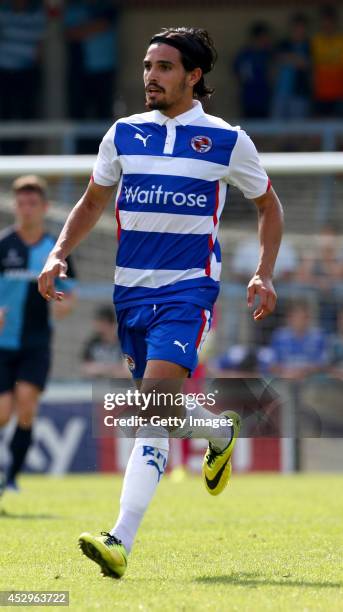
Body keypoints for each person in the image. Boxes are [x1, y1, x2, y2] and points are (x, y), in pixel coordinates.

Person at [39, 27, 283, 579]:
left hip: (187, 290)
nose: (150, 75)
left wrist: (263, 273)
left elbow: (270, 207)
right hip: (131, 293)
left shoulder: (226, 140)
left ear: (194, 76)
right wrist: (57, 254)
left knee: (151, 406)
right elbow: (92, 200)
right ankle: (218, 431)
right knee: (161, 409)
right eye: (148, 66)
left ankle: (119, 540)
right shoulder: (123, 134)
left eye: (164, 67)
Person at [0, 175, 76, 493]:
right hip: (3, 343)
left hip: (37, 342)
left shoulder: (55, 250)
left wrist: (63, 306)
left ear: (44, 207)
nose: (26, 209)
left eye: (33, 203)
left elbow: (70, 293)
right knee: (3, 412)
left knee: (27, 405)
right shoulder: (4, 245)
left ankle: (12, 478)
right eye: (21, 203)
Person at [0, 0, 47, 154]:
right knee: (4, 113)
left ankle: (19, 150)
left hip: (27, 73)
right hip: (4, 73)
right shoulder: (3, 12)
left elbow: (41, 44)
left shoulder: (38, 14)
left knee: (26, 112)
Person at [267, 300, 328, 379]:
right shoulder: (279, 336)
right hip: (285, 378)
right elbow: (271, 365)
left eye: (303, 317)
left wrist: (304, 371)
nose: (300, 321)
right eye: (296, 317)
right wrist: (286, 372)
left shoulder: (319, 337)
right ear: (289, 318)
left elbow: (324, 364)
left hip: (310, 380)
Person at [271, 13, 311, 120]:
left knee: (297, 129)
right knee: (277, 128)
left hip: (299, 92)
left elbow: (306, 64)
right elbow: (277, 58)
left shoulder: (309, 45)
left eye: (301, 27)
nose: (298, 30)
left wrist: (289, 58)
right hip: (280, 92)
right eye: (296, 27)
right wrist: (296, 59)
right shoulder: (283, 44)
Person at [233, 22, 273, 118]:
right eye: (264, 37)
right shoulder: (245, 55)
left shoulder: (267, 54)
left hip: (264, 97)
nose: (267, 40)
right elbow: (237, 73)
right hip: (249, 96)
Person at [311, 4, 343, 117]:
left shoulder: (341, 41)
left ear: (335, 23)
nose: (327, 25)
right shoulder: (315, 42)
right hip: (320, 93)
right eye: (324, 22)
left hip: (340, 94)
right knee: (320, 129)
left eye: (330, 22)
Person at [81, 305, 128, 378]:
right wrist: (112, 369)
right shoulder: (93, 342)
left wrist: (100, 368)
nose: (98, 326)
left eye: (102, 323)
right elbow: (86, 368)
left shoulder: (124, 344)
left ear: (112, 324)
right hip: (96, 385)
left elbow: (127, 372)